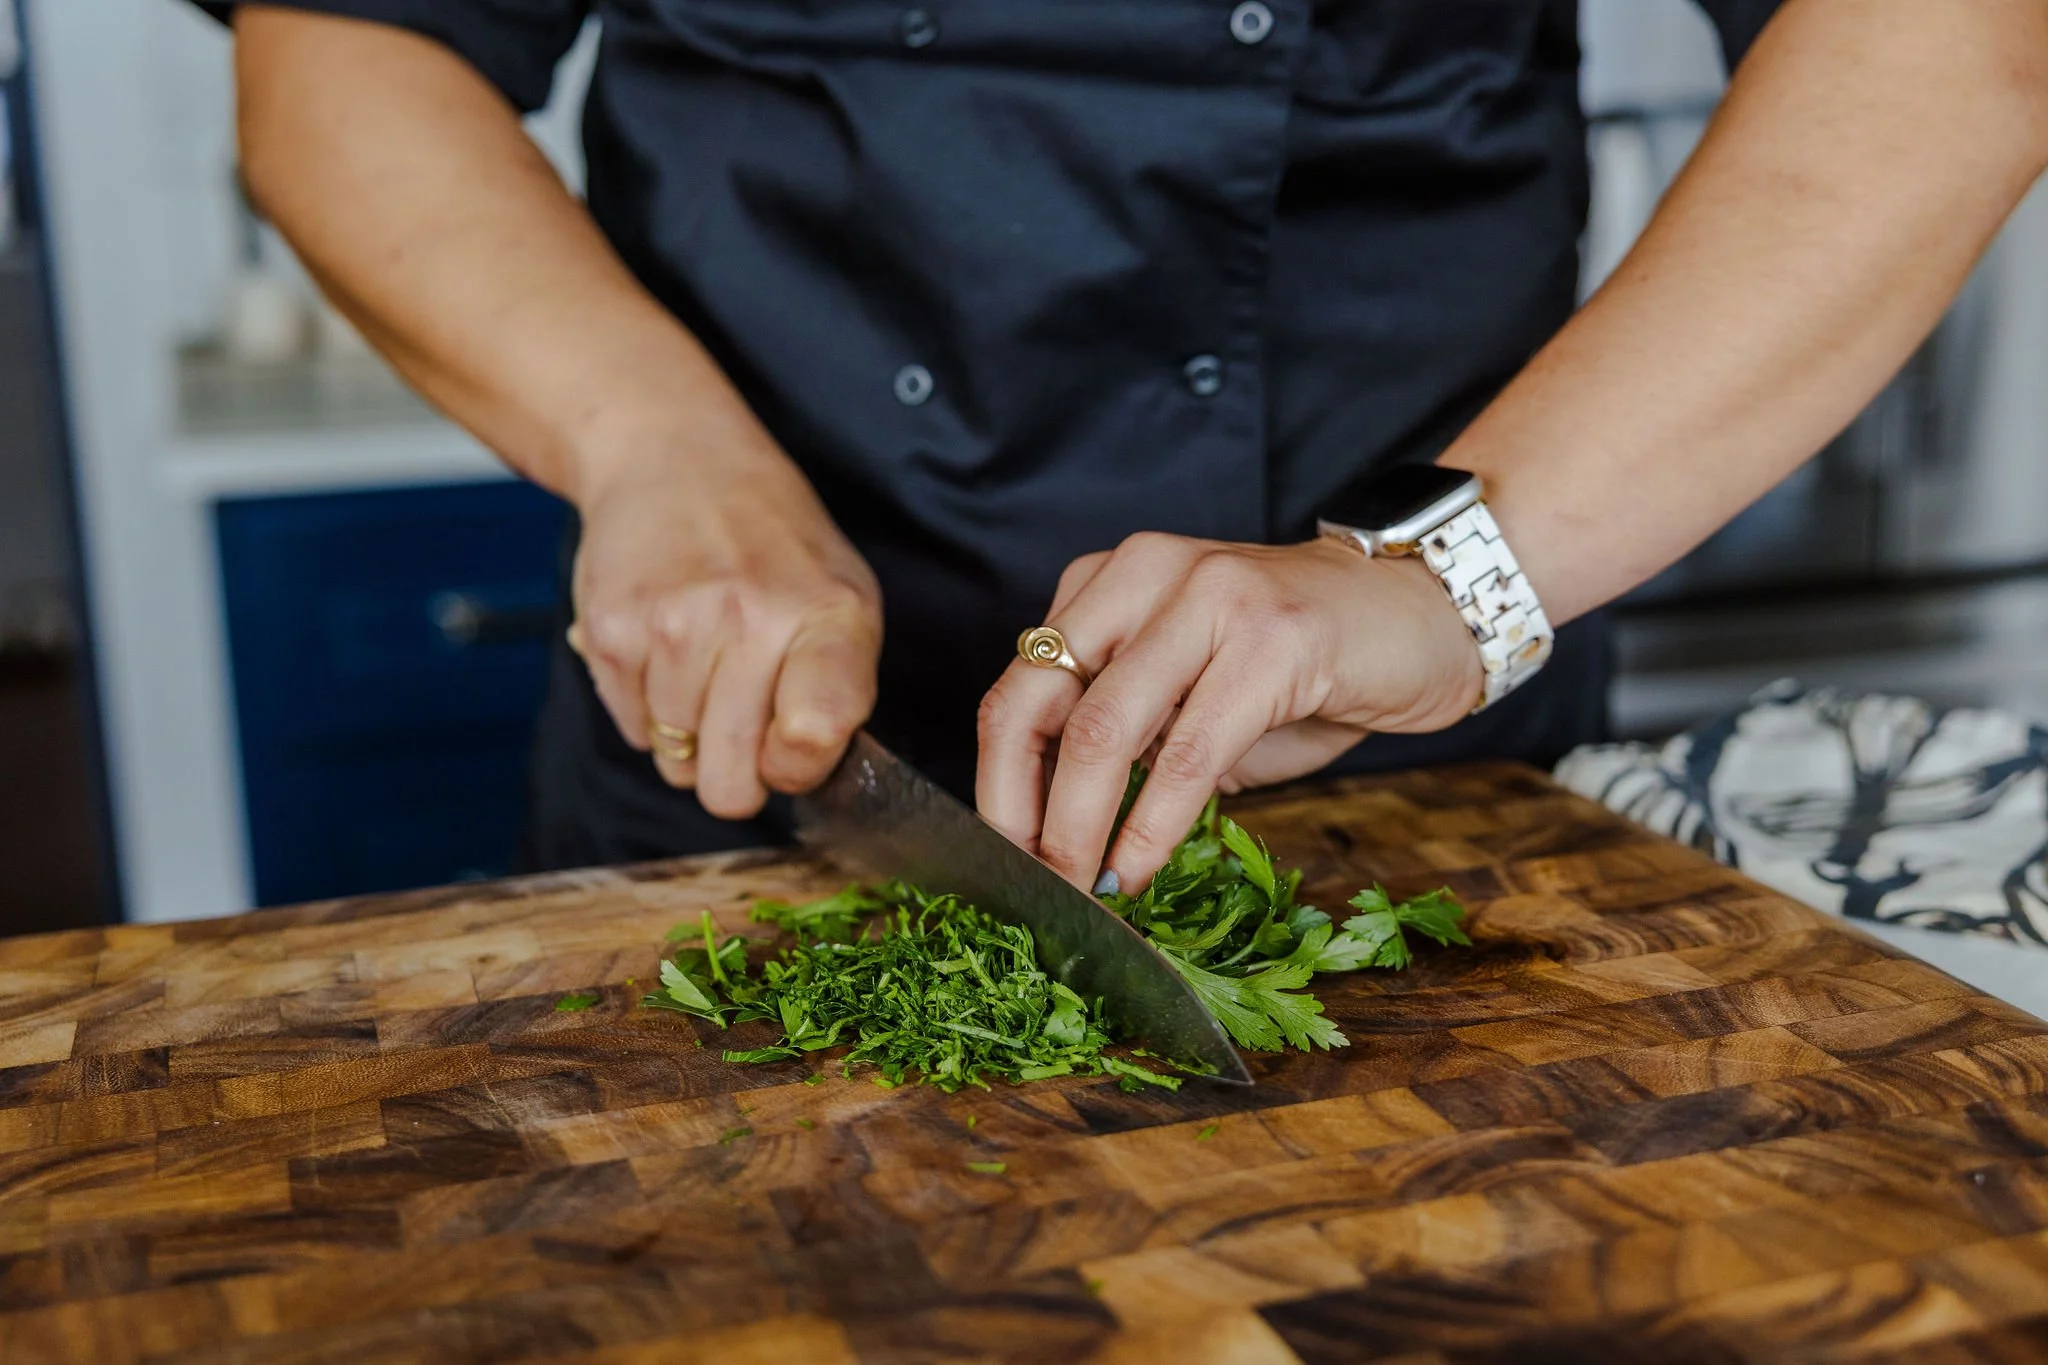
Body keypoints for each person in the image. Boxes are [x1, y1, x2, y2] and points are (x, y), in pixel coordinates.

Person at [199, 0, 2048, 897]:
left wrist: (1429, 578)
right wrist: (651, 450)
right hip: (746, 736)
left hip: (1419, 758)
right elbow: (346, 53)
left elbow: (1957, 42)